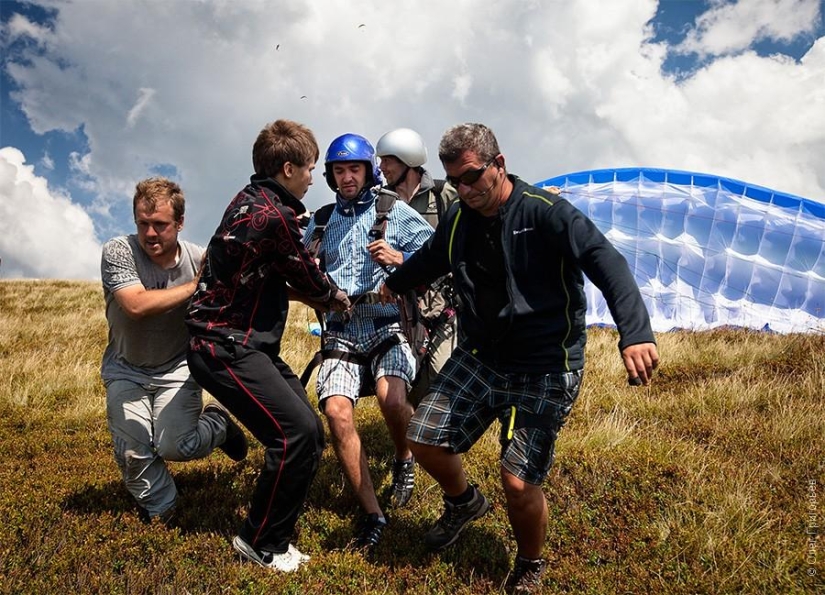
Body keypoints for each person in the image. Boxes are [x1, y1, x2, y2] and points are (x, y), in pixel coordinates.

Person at [379, 123, 659, 594]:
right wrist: (395, 282)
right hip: (481, 357)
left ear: (500, 164)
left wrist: (635, 333)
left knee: (518, 482)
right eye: (455, 182)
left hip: (546, 365)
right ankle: (464, 502)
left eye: (472, 177)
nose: (465, 190)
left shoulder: (548, 214)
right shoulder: (458, 220)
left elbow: (606, 261)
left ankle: (530, 562)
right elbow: (431, 259)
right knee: (422, 437)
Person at [186, 120, 350, 573]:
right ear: (287, 168)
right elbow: (308, 275)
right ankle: (261, 542)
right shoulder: (274, 215)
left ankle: (274, 535)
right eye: (311, 168)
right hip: (224, 345)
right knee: (294, 434)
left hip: (243, 344)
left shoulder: (251, 199)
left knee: (309, 433)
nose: (316, 177)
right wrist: (341, 297)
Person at [302, 133, 433, 549]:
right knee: (337, 414)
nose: (346, 178)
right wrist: (318, 288)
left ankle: (403, 458)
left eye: (353, 169)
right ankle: (373, 514)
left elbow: (440, 259)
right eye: (338, 171)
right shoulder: (320, 221)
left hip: (386, 326)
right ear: (329, 176)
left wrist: (400, 260)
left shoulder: (395, 213)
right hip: (340, 332)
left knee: (392, 399)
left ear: (368, 171)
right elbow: (299, 274)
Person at [101, 177, 248, 526]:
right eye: (142, 223)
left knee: (175, 447)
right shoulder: (119, 251)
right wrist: (195, 287)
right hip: (125, 368)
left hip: (178, 368)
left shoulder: (199, 257)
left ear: (180, 223)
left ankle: (218, 424)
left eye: (160, 225)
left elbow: (240, 291)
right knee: (133, 452)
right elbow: (134, 306)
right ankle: (163, 511)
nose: (150, 234)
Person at [375, 127, 458, 408]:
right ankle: (414, 437)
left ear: (407, 160)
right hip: (398, 306)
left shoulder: (443, 195)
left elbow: (456, 248)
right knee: (405, 375)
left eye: (388, 160)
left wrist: (402, 257)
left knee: (439, 371)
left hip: (441, 304)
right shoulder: (381, 202)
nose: (382, 167)